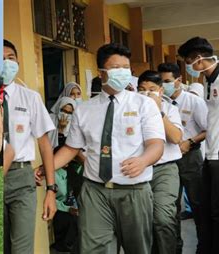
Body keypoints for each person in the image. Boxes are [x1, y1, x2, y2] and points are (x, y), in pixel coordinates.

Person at [51, 43, 165, 253]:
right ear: (101, 72)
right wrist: (46, 169)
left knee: (138, 248)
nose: (122, 72)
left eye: (126, 67)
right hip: (95, 191)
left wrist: (143, 160)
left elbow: (156, 144)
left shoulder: (143, 104)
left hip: (134, 191)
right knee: (94, 249)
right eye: (116, 67)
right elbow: (71, 148)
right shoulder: (84, 109)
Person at [3, 39, 57, 254]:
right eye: (0, 59)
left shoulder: (30, 98)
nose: (6, 63)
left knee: (22, 249)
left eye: (10, 58)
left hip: (22, 179)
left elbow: (45, 145)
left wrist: (51, 190)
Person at [178, 36, 219, 254]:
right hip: (211, 153)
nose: (188, 66)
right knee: (208, 209)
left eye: (188, 61)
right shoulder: (207, 80)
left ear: (199, 58)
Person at [157, 62, 208, 253]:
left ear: (179, 80)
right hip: (167, 160)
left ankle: (204, 245)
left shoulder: (194, 102)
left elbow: (208, 129)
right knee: (169, 209)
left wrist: (190, 142)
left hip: (190, 158)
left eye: (168, 81)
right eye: (161, 81)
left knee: (197, 204)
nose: (164, 85)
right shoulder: (158, 102)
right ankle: (174, 247)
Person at [137, 70, 183, 254]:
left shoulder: (169, 108)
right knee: (142, 222)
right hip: (139, 170)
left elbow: (176, 137)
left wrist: (159, 111)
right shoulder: (130, 108)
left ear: (161, 91)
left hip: (165, 170)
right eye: (142, 89)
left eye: (152, 89)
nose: (147, 93)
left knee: (162, 218)